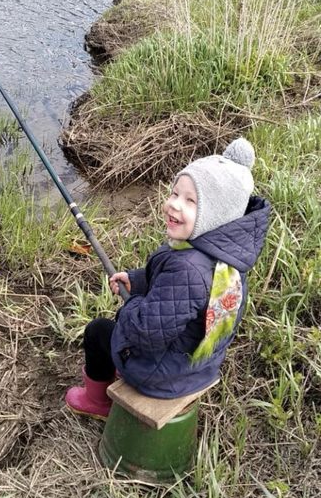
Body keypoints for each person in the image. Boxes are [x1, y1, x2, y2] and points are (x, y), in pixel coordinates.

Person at [65, 137, 270, 419]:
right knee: (127, 319)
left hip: (162, 376)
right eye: (175, 193)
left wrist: (132, 304)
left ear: (216, 215)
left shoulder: (187, 268)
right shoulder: (225, 254)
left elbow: (145, 331)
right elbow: (181, 291)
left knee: (98, 331)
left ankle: (97, 403)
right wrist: (136, 282)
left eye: (191, 201)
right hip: (198, 365)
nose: (174, 205)